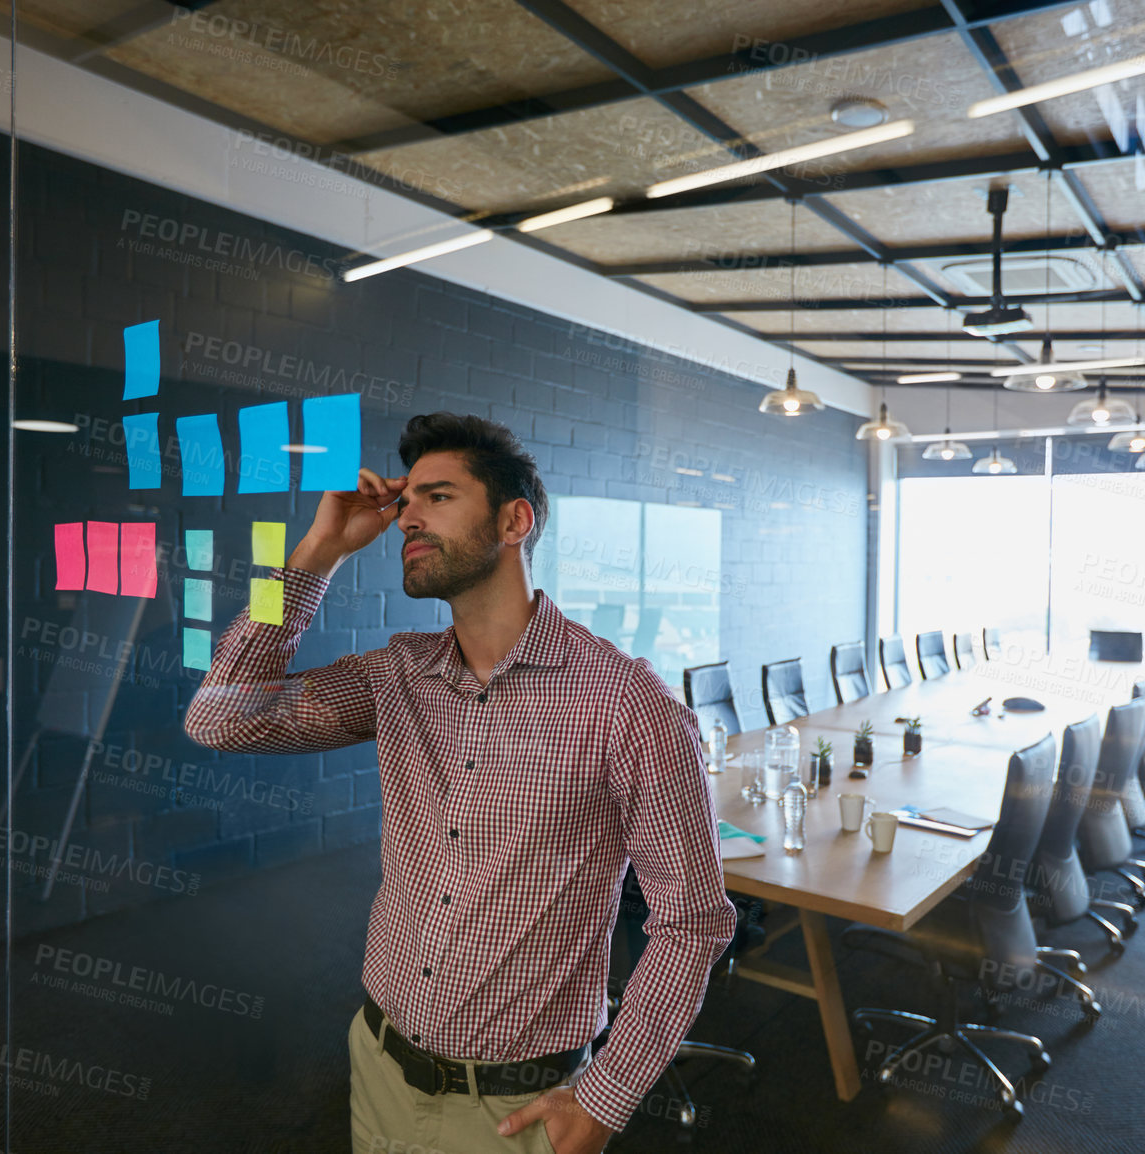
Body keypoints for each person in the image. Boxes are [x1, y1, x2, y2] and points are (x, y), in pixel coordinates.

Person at [185, 413, 736, 1154]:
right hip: (378, 1061)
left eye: (437, 497)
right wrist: (314, 556)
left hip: (516, 1108)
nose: (406, 515)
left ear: (515, 521)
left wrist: (606, 1099)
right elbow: (221, 719)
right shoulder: (397, 675)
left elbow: (692, 921)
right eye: (405, 499)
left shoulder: (627, 704)